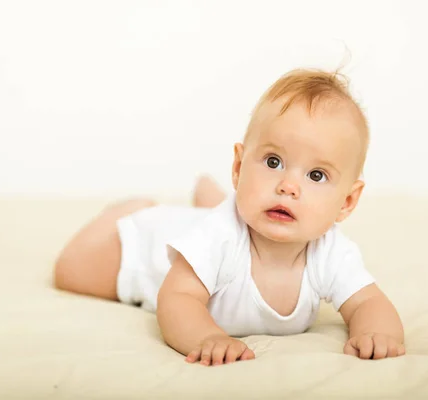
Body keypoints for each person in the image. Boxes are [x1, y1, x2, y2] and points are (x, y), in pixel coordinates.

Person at [54, 68, 405, 366]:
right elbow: (177, 298)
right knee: (70, 272)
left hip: (212, 220)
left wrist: (378, 333)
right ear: (238, 167)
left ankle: (210, 198)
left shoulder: (330, 252)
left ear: (346, 202)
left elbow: (368, 302)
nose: (287, 186)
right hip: (150, 245)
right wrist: (206, 336)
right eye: (273, 162)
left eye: (316, 176)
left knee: (231, 210)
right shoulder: (219, 236)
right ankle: (131, 209)